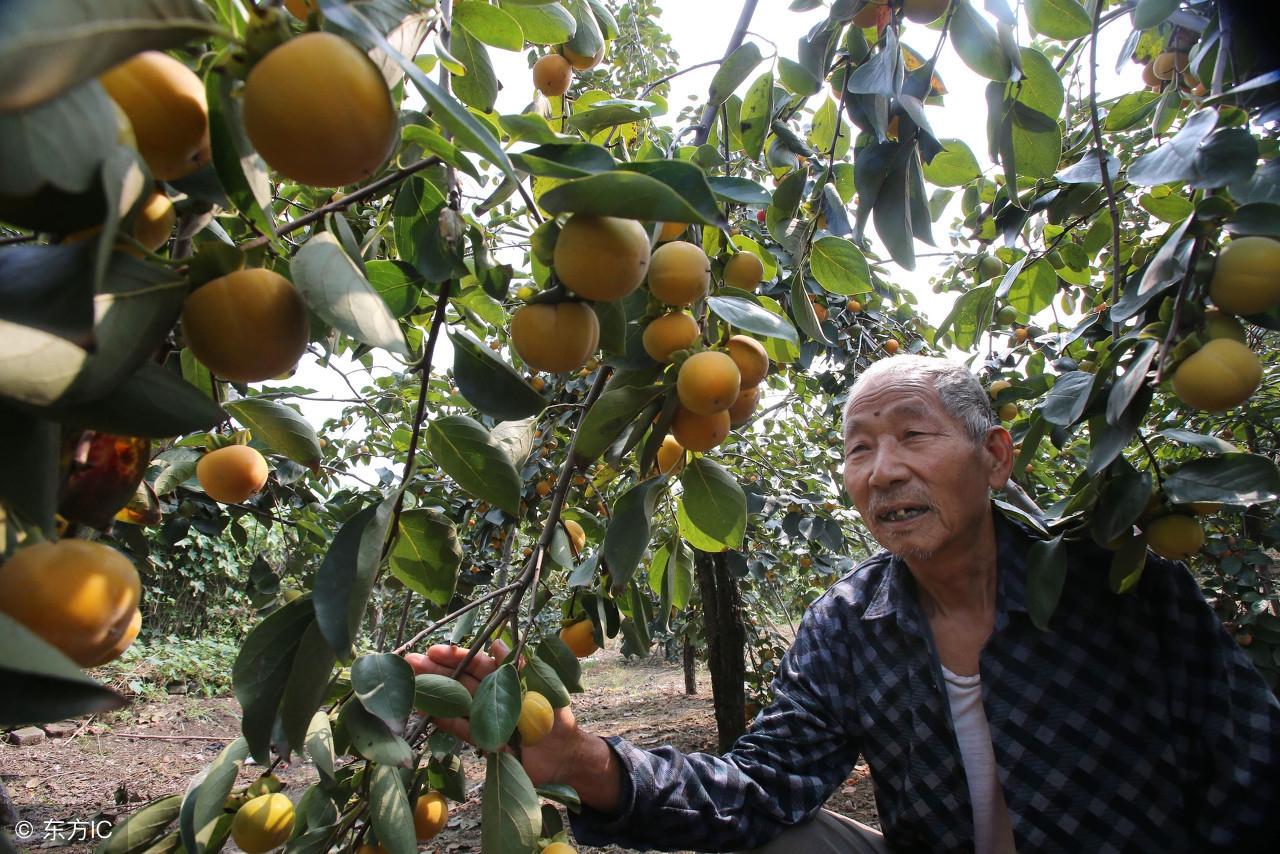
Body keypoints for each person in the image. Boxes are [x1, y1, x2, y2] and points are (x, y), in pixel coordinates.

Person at [408, 355, 1280, 853]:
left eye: (912, 434)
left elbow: (1248, 764)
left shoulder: (1118, 580)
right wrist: (580, 757)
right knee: (770, 840)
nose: (883, 470)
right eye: (860, 449)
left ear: (997, 456)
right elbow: (757, 788)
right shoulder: (849, 624)